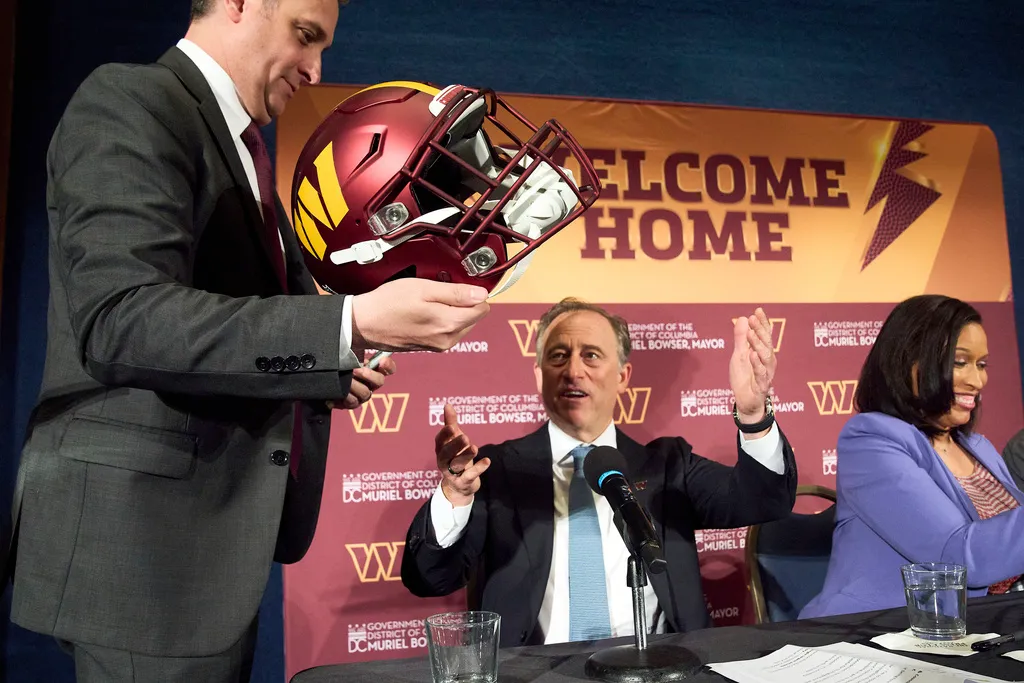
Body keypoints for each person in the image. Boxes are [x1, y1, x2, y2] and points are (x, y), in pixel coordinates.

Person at [5, 0, 491, 681]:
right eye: (304, 35)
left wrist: (331, 364)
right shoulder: (131, 101)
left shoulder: (244, 149)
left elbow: (225, 327)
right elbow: (121, 319)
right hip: (143, 557)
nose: (315, 69)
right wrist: (348, 323)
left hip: (204, 553)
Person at [401, 298, 797, 646]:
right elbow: (429, 579)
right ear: (539, 375)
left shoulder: (668, 464)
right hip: (537, 672)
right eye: (558, 356)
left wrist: (753, 416)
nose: (574, 371)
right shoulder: (495, 470)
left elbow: (764, 501)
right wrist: (454, 497)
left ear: (622, 377)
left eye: (591, 355)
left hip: (661, 664)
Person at [800, 295, 1024, 619]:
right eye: (959, 362)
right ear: (909, 363)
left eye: (982, 364)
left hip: (983, 626)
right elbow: (955, 557)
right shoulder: (871, 440)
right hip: (882, 632)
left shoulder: (979, 446)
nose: (977, 381)